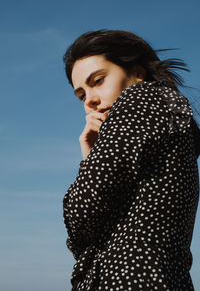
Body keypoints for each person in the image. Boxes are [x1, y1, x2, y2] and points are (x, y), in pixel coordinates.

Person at [62, 29, 200, 291]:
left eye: (98, 80)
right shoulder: (169, 117)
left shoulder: (140, 98)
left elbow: (80, 216)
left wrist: (89, 165)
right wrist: (91, 153)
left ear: (137, 73)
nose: (89, 99)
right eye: (81, 95)